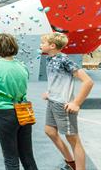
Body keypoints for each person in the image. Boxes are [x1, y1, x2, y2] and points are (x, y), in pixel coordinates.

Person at [0, 33, 38, 170]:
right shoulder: (22, 66)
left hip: (4, 111)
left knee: (10, 157)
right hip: (24, 109)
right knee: (27, 155)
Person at [40, 33, 94, 170]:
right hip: (53, 101)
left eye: (43, 43)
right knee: (50, 131)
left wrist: (76, 103)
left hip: (63, 105)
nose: (41, 45)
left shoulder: (65, 60)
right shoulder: (50, 59)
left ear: (52, 46)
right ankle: (71, 163)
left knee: (73, 140)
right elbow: (58, 80)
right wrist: (51, 93)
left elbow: (88, 81)